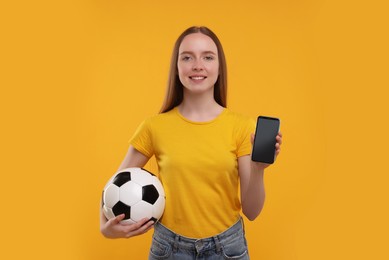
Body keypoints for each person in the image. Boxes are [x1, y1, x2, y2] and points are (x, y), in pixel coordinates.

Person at [100, 26, 283, 259]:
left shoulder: (242, 127)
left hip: (227, 248)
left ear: (219, 67)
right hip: (169, 248)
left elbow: (252, 211)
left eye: (208, 57)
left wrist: (258, 170)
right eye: (187, 57)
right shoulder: (154, 127)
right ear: (177, 68)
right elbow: (116, 184)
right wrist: (105, 227)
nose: (198, 65)